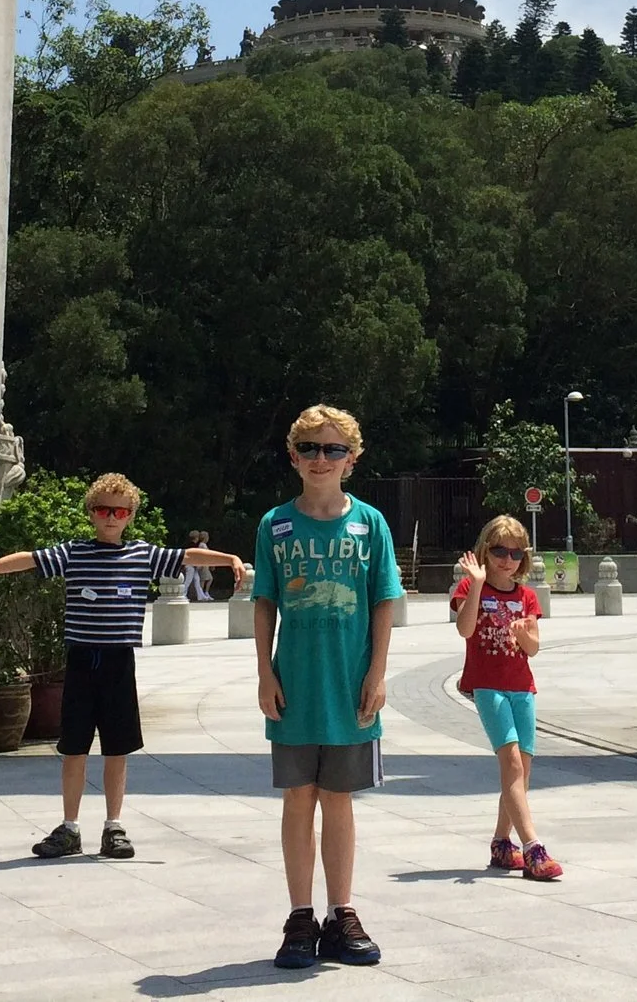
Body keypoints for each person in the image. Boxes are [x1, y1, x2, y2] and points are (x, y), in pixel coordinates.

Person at [0, 474, 246, 861]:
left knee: (118, 748)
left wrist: (228, 559)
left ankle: (114, 826)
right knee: (74, 747)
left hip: (117, 662)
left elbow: (186, 556)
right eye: (103, 510)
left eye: (119, 510)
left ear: (130, 515)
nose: (111, 518)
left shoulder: (142, 554)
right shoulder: (74, 553)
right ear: (91, 513)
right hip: (81, 660)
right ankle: (70, 827)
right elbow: (29, 560)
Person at [256, 405, 404, 970]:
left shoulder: (371, 523)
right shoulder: (275, 524)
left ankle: (342, 913)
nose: (322, 459)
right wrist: (264, 670)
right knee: (298, 798)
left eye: (333, 449)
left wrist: (378, 672)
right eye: (311, 449)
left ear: (353, 458)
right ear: (294, 456)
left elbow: (385, 597)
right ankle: (300, 915)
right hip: (295, 684)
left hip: (351, 687)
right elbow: (265, 599)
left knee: (339, 800)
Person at [451, 515, 560, 881]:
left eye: (515, 553)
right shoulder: (469, 587)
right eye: (499, 550)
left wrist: (522, 633)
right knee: (511, 761)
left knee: (522, 771)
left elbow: (534, 648)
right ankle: (533, 847)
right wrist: (478, 585)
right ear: (485, 551)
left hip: (522, 687)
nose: (507, 559)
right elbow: (465, 630)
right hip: (487, 686)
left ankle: (501, 843)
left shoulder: (526, 596)